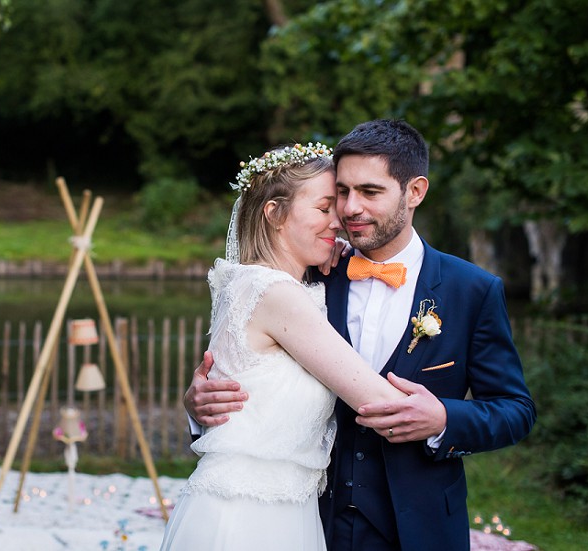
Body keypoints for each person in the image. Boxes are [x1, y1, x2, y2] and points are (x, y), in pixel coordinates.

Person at [183, 120, 536, 550]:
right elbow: (247, 363)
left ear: (415, 192)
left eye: (369, 192)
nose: (349, 209)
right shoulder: (305, 273)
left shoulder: (472, 290)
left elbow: (515, 410)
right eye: (342, 192)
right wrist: (198, 403)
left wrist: (445, 420)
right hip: (314, 519)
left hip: (419, 527)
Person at [161, 142, 412, 550]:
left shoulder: (246, 282)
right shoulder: (277, 294)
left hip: (267, 504)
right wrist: (445, 417)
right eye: (324, 207)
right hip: (251, 516)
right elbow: (374, 398)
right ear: (275, 213)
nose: (340, 221)